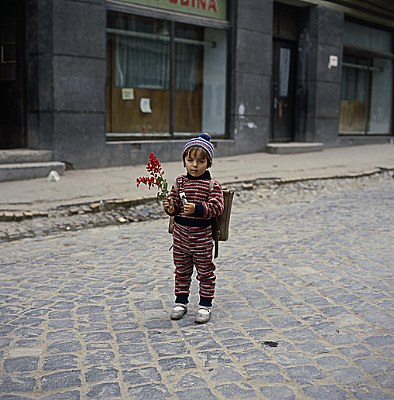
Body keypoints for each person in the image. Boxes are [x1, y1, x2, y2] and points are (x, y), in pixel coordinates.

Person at [163, 133, 224, 324]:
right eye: (190, 160)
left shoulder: (212, 185)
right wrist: (170, 208)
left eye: (200, 161)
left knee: (205, 271)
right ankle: (181, 302)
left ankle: (205, 305)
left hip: (202, 238)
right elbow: (175, 207)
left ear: (209, 163)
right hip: (180, 238)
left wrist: (198, 209)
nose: (195, 165)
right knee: (181, 271)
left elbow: (217, 207)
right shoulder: (179, 183)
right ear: (184, 161)